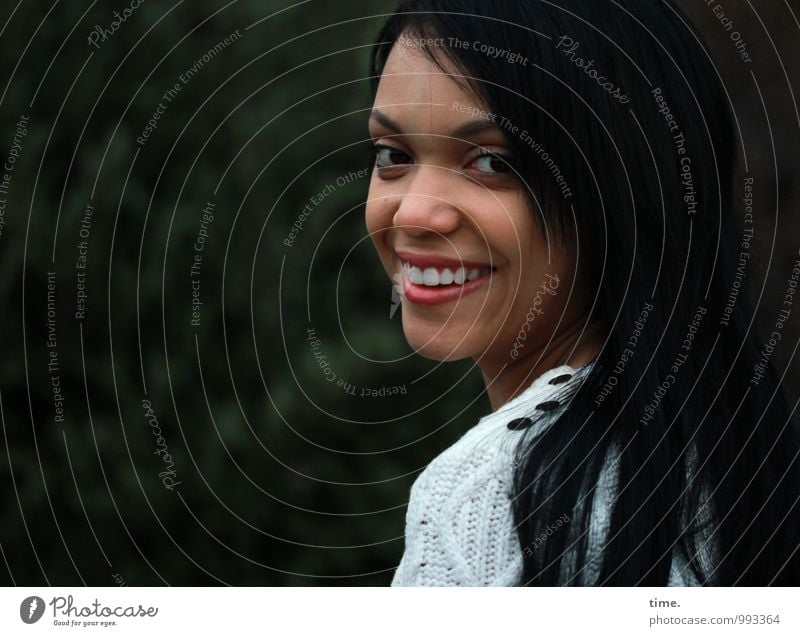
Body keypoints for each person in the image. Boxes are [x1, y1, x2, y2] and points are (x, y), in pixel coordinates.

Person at [364, 0, 800, 586]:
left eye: (493, 162)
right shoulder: (746, 454)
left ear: (624, 192)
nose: (412, 213)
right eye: (394, 156)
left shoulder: (486, 496)